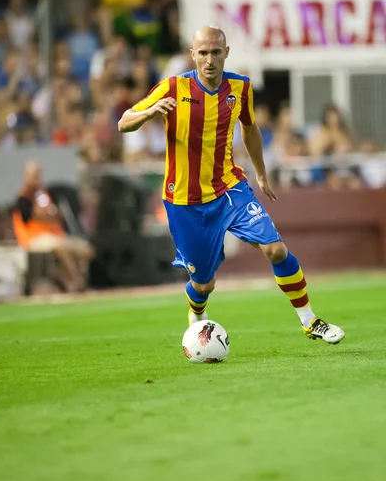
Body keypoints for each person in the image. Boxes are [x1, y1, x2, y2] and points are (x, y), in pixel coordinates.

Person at [118, 26, 344, 344]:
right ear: (193, 55)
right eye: (203, 53)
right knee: (204, 285)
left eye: (215, 52)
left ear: (226, 53)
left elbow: (249, 128)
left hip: (229, 188)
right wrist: (150, 112)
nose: (209, 59)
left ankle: (310, 321)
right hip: (185, 201)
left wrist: (261, 173)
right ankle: (197, 315)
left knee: (276, 249)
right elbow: (123, 121)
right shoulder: (172, 87)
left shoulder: (241, 87)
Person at [12, 162, 94, 292]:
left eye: (38, 175)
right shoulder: (24, 197)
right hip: (33, 238)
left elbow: (57, 215)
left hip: (54, 235)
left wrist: (51, 214)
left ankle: (67, 281)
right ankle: (78, 283)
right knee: (61, 248)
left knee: (85, 249)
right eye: (33, 176)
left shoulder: (43, 194)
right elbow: (35, 215)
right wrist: (48, 214)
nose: (37, 179)